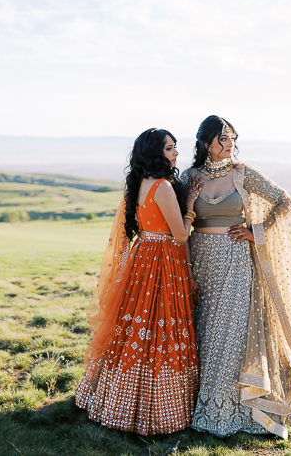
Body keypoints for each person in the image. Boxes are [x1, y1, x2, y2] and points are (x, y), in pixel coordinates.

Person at [182, 116, 291, 439]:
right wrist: (185, 271)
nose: (230, 145)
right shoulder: (188, 177)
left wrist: (258, 231)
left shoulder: (243, 173)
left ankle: (227, 408)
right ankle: (192, 402)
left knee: (228, 333)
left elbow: (285, 202)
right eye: (223, 139)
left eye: (232, 139)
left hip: (236, 262)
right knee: (203, 330)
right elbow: (180, 227)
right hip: (199, 262)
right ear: (205, 143)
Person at [75, 128, 203, 435]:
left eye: (175, 148)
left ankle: (117, 401)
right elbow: (181, 234)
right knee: (164, 325)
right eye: (170, 149)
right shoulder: (162, 186)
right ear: (156, 153)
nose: (175, 154)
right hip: (163, 261)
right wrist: (191, 207)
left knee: (135, 326)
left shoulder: (139, 183)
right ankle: (159, 409)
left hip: (142, 256)